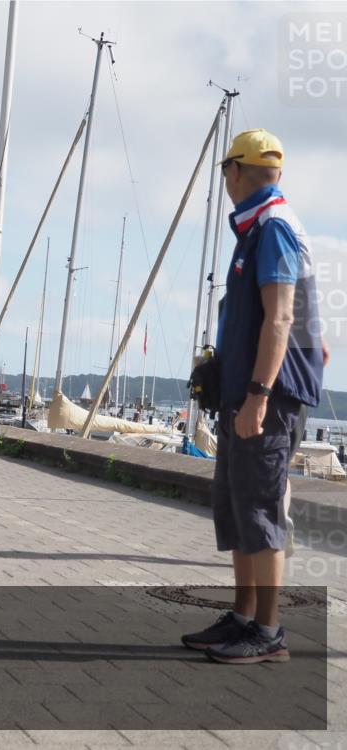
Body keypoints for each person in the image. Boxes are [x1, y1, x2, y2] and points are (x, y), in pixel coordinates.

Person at [181, 129, 327, 664]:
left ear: (236, 171)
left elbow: (282, 315)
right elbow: (301, 320)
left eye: (225, 172)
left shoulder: (273, 228)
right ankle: (244, 618)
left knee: (261, 512)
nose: (225, 182)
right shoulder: (261, 228)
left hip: (264, 398)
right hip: (246, 394)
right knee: (239, 508)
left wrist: (261, 394)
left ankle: (269, 631)